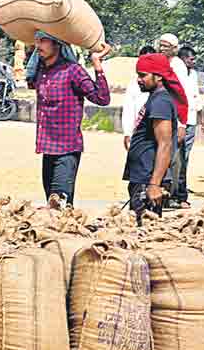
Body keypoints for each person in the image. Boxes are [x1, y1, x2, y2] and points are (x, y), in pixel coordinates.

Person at [29, 31, 111, 205]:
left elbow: (102, 98)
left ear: (57, 44)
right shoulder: (41, 72)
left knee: (58, 203)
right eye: (37, 41)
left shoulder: (73, 71)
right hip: (47, 148)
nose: (38, 46)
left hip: (67, 149)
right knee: (55, 205)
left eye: (43, 41)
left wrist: (97, 63)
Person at [123, 53, 188, 222]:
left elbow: (165, 144)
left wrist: (154, 184)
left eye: (143, 75)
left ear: (158, 76)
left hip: (148, 179)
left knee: (145, 228)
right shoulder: (155, 98)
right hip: (143, 176)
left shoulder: (161, 102)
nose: (139, 80)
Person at [168, 45, 202, 208]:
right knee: (176, 159)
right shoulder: (175, 72)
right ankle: (174, 193)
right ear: (182, 59)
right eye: (190, 59)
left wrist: (201, 118)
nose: (193, 62)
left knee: (184, 159)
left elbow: (195, 97)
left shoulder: (193, 74)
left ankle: (180, 190)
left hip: (191, 120)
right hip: (179, 122)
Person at [121, 44, 155, 149]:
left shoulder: (162, 83)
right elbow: (128, 109)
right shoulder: (134, 84)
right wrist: (127, 132)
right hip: (139, 131)